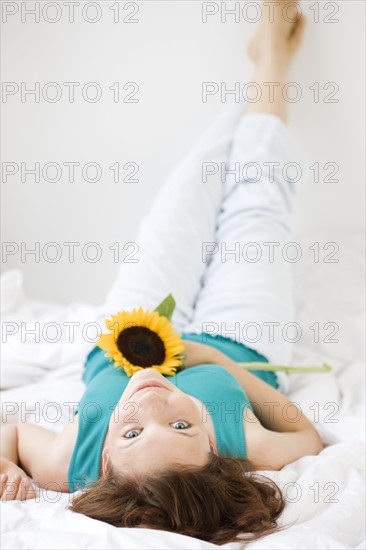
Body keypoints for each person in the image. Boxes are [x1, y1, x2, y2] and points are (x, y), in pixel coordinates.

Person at [0, 1, 324, 544]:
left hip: (133, 324)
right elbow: (308, 440)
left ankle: (254, 82)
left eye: (130, 432)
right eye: (180, 425)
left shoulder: (65, 462)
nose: (151, 401)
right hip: (238, 338)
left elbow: (9, 432)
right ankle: (271, 64)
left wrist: (6, 466)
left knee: (183, 198)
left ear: (103, 457)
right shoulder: (240, 443)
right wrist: (218, 360)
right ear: (214, 449)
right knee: (259, 203)